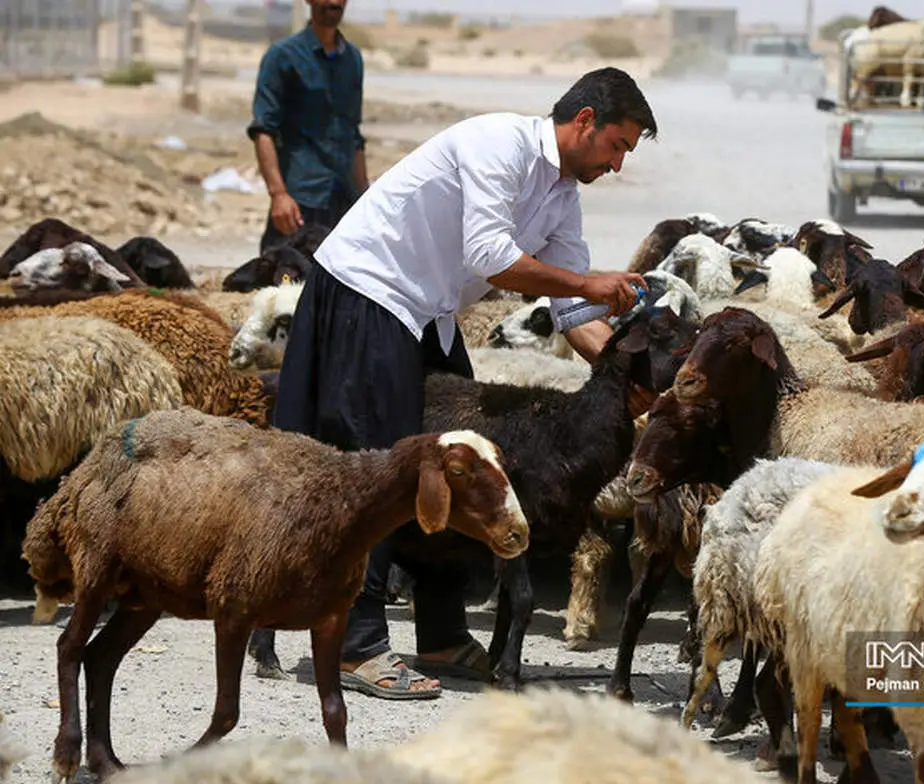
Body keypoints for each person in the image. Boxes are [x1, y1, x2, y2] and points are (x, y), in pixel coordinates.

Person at [253, 67, 659, 700]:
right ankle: (358, 647)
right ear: (585, 122)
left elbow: (576, 317)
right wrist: (587, 284)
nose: (618, 163)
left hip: (427, 311)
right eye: (617, 146)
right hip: (369, 289)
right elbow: (490, 257)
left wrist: (624, 380)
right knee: (379, 464)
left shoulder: (561, 198)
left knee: (459, 462)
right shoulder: (498, 145)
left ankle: (440, 636)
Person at [247, 0, 368, 254]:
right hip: (300, 202)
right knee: (284, 285)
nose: (333, 2)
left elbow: (354, 136)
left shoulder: (353, 59)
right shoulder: (283, 56)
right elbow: (263, 130)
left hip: (343, 201)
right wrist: (278, 194)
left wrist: (364, 200)